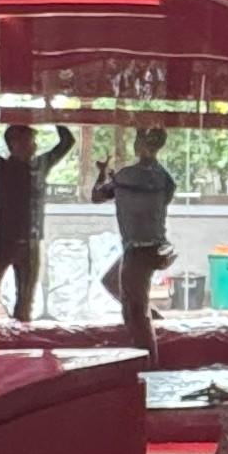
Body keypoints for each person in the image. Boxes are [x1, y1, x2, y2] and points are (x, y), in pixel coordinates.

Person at [94, 126, 179, 349]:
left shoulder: (126, 176)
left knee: (134, 315)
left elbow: (97, 196)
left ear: (140, 146)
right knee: (114, 283)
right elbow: (159, 199)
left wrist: (103, 174)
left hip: (138, 250)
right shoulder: (164, 178)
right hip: (156, 246)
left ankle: (147, 358)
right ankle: (154, 320)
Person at [0, 120, 73, 327]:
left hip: (30, 242)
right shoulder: (0, 166)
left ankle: (21, 335)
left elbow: (67, 142)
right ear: (15, 143)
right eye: (30, 141)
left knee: (25, 301)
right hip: (2, 241)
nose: (34, 146)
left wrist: (53, 115)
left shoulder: (38, 166)